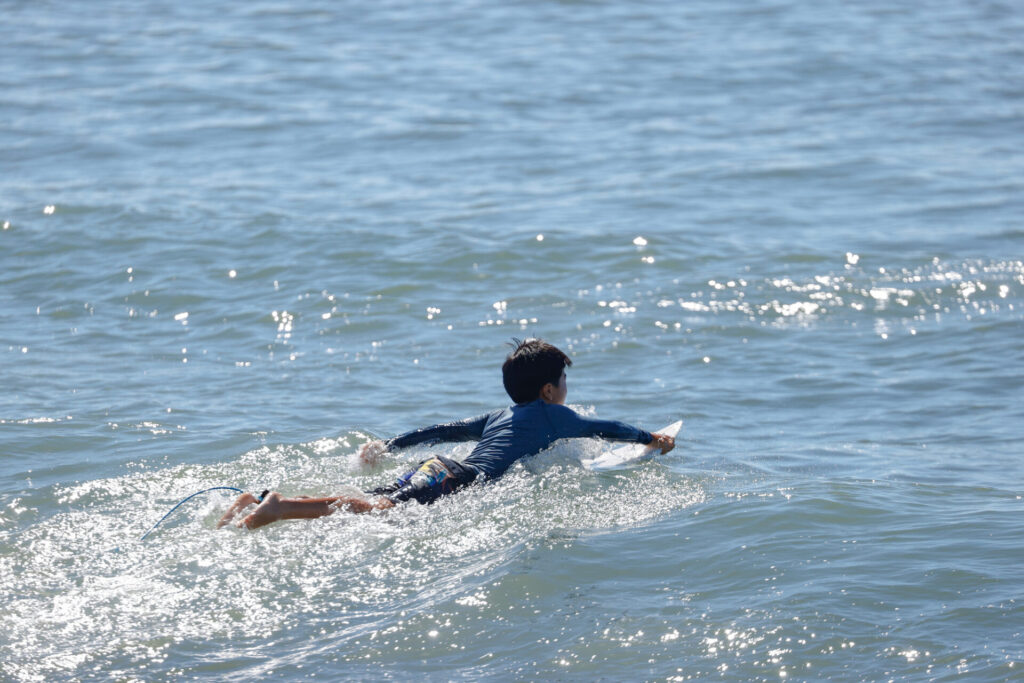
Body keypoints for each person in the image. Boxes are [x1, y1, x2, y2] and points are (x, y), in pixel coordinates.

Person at [218, 338, 675, 530]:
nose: (567, 389)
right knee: (377, 510)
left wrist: (391, 444)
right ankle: (280, 507)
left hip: (436, 467)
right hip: (457, 477)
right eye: (565, 382)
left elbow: (442, 430)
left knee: (365, 499)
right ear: (548, 390)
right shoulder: (556, 416)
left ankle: (256, 501)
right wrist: (649, 437)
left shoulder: (498, 415)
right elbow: (604, 428)